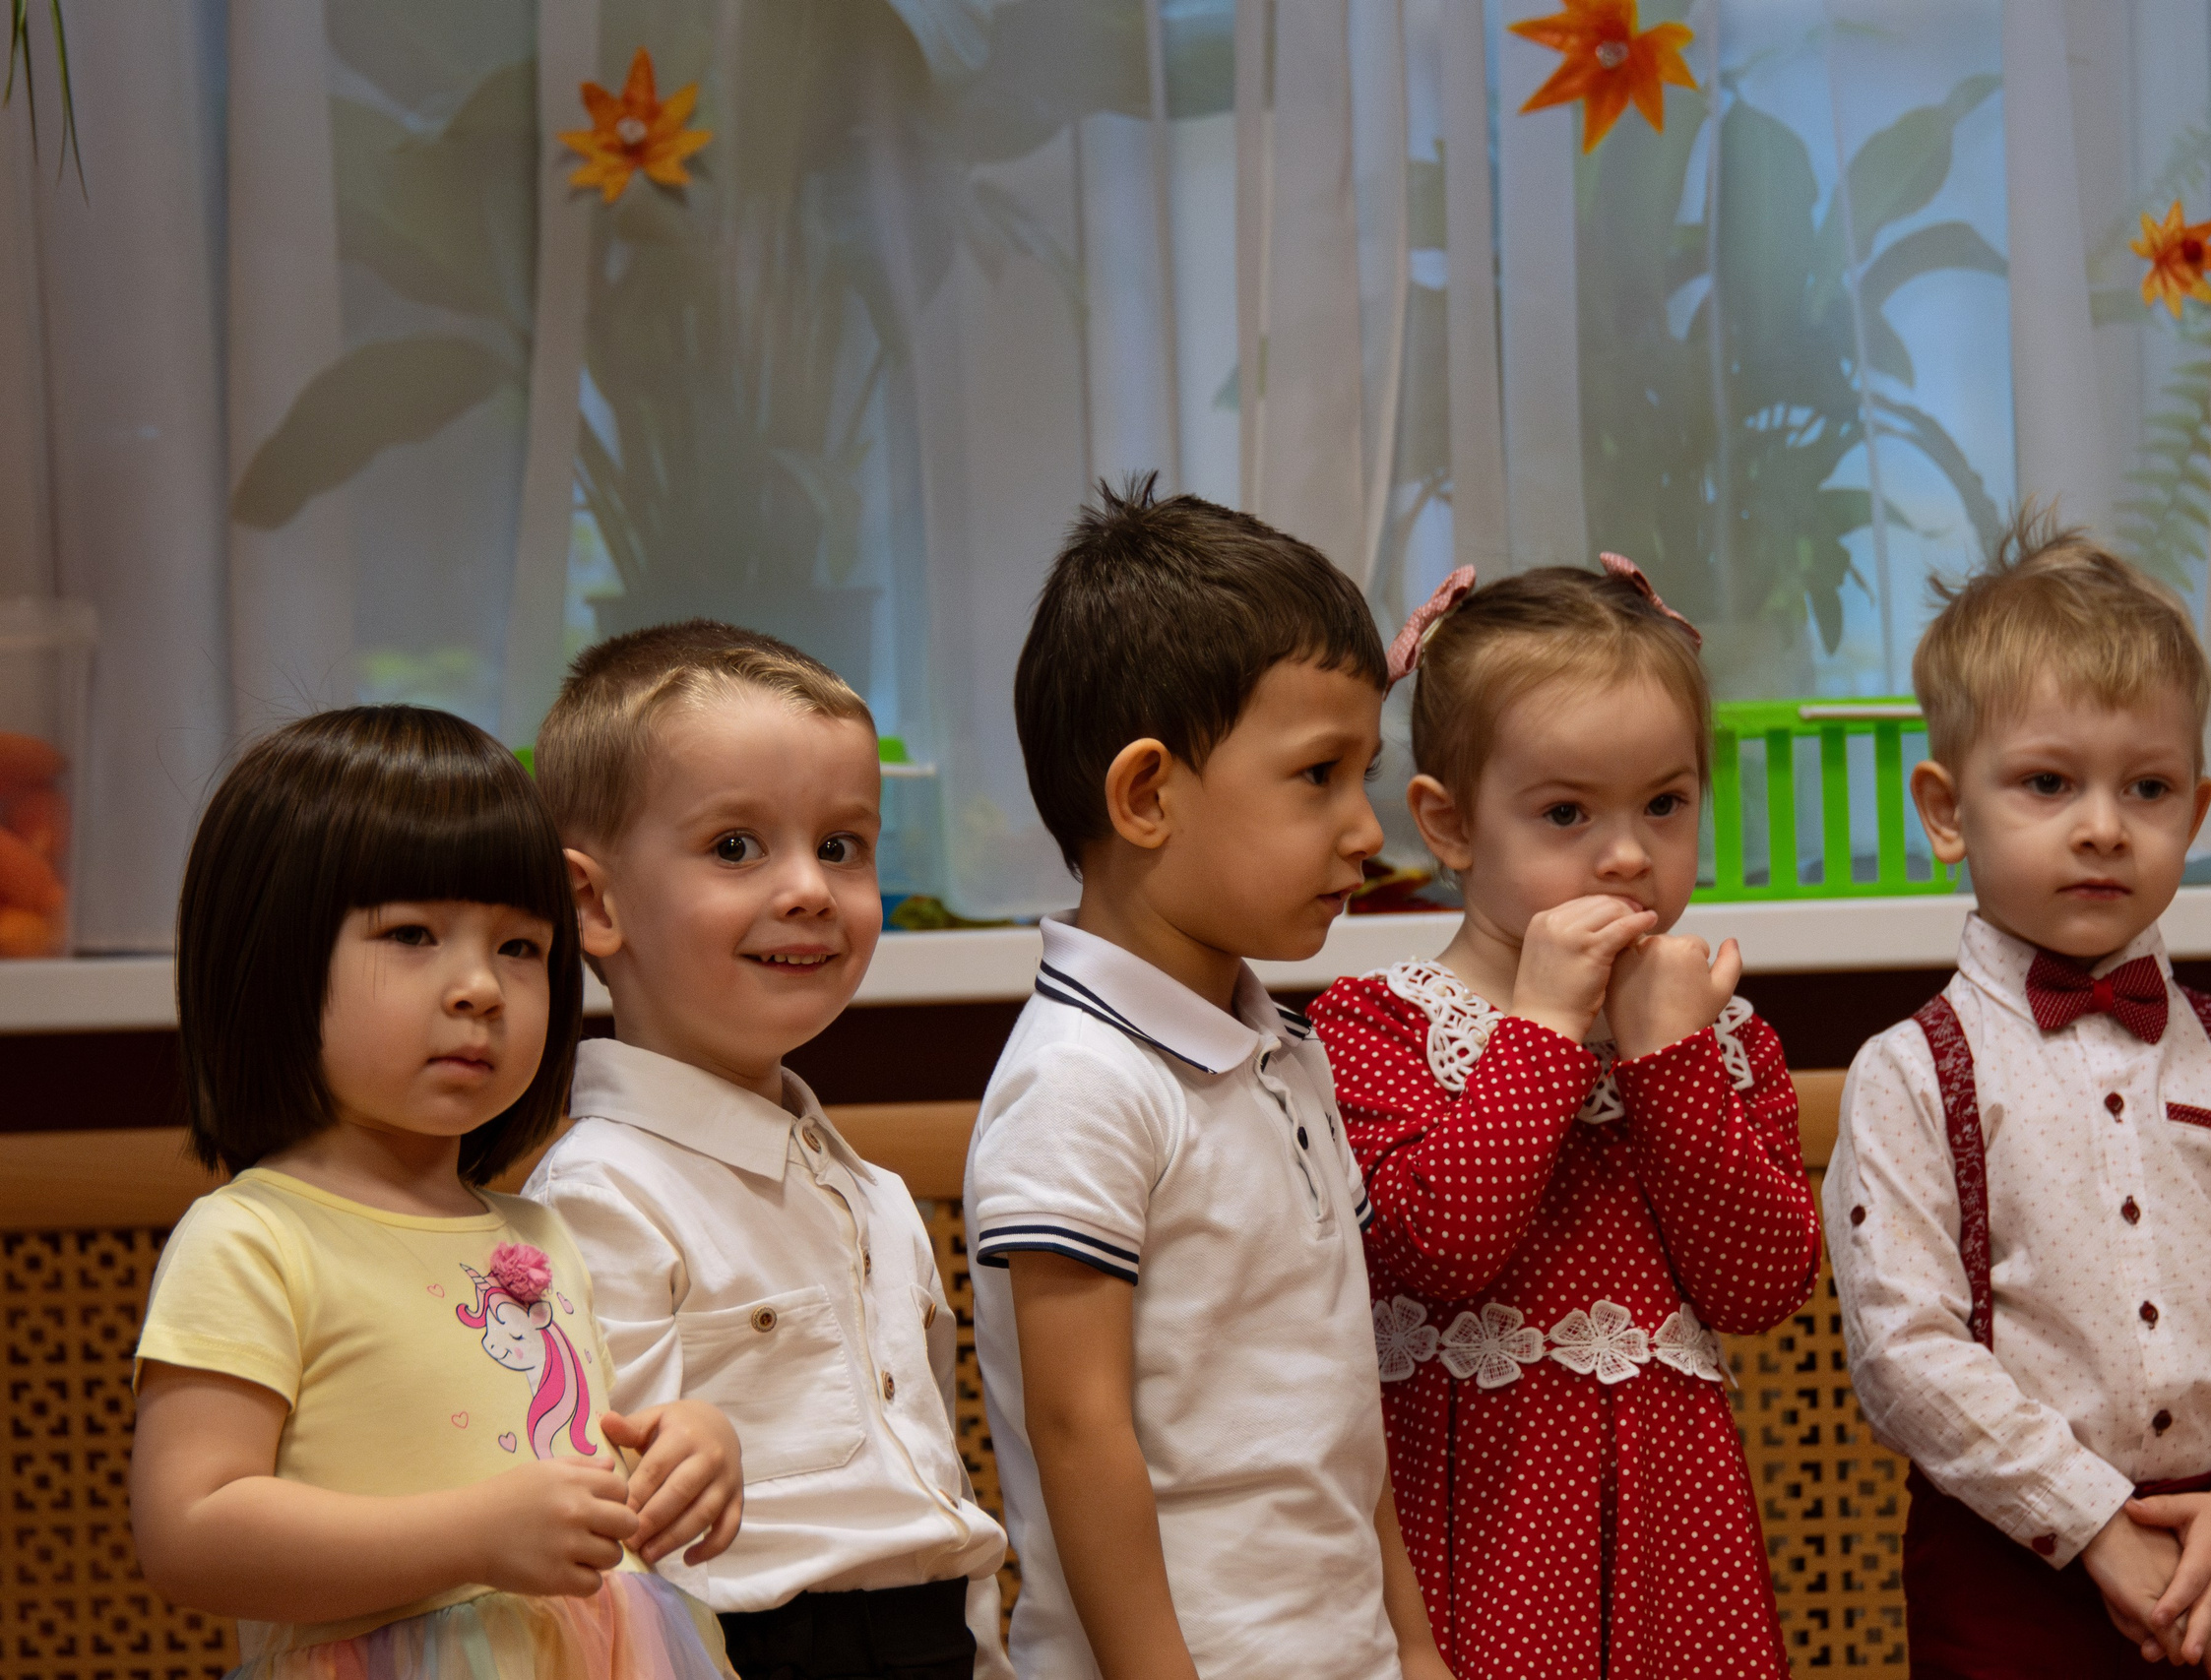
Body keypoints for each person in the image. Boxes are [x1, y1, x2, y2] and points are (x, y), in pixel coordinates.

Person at [1822, 513, 2211, 1680]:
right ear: (1946, 810)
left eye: (2144, 788)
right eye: (2047, 782)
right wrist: (2083, 1520)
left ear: (2193, 811)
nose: (2100, 826)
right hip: (2005, 1556)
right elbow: (1901, 1347)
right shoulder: (1907, 1072)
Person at [128, 706, 741, 1677]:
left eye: (520, 948)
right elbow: (190, 1530)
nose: (480, 989)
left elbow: (566, 1455)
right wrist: (469, 1536)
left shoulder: (541, 1229)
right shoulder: (251, 1239)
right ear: (270, 958)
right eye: (413, 934)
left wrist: (681, 1448)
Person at [964, 477, 1451, 1680]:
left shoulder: (1287, 1047)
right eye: (1316, 776)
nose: (1363, 832)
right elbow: (1080, 1431)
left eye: (1364, 774)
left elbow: (1338, 1400)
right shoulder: (1079, 1079)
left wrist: (1413, 1643)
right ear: (1145, 797)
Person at [1306, 559, 1817, 1680]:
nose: (1627, 852)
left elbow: (1759, 1286)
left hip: (1675, 1541)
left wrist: (1671, 1057)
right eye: (1565, 812)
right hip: (1474, 1527)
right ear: (1447, 825)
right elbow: (1438, 1251)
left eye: (1664, 805)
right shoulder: (1377, 1026)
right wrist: (1540, 1027)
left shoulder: (1725, 1040)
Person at [522, 623, 1011, 1680]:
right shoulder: (602, 1193)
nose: (808, 889)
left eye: (842, 846)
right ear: (596, 904)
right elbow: (613, 1550)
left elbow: (928, 1483)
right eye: (736, 847)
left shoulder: (870, 1193)